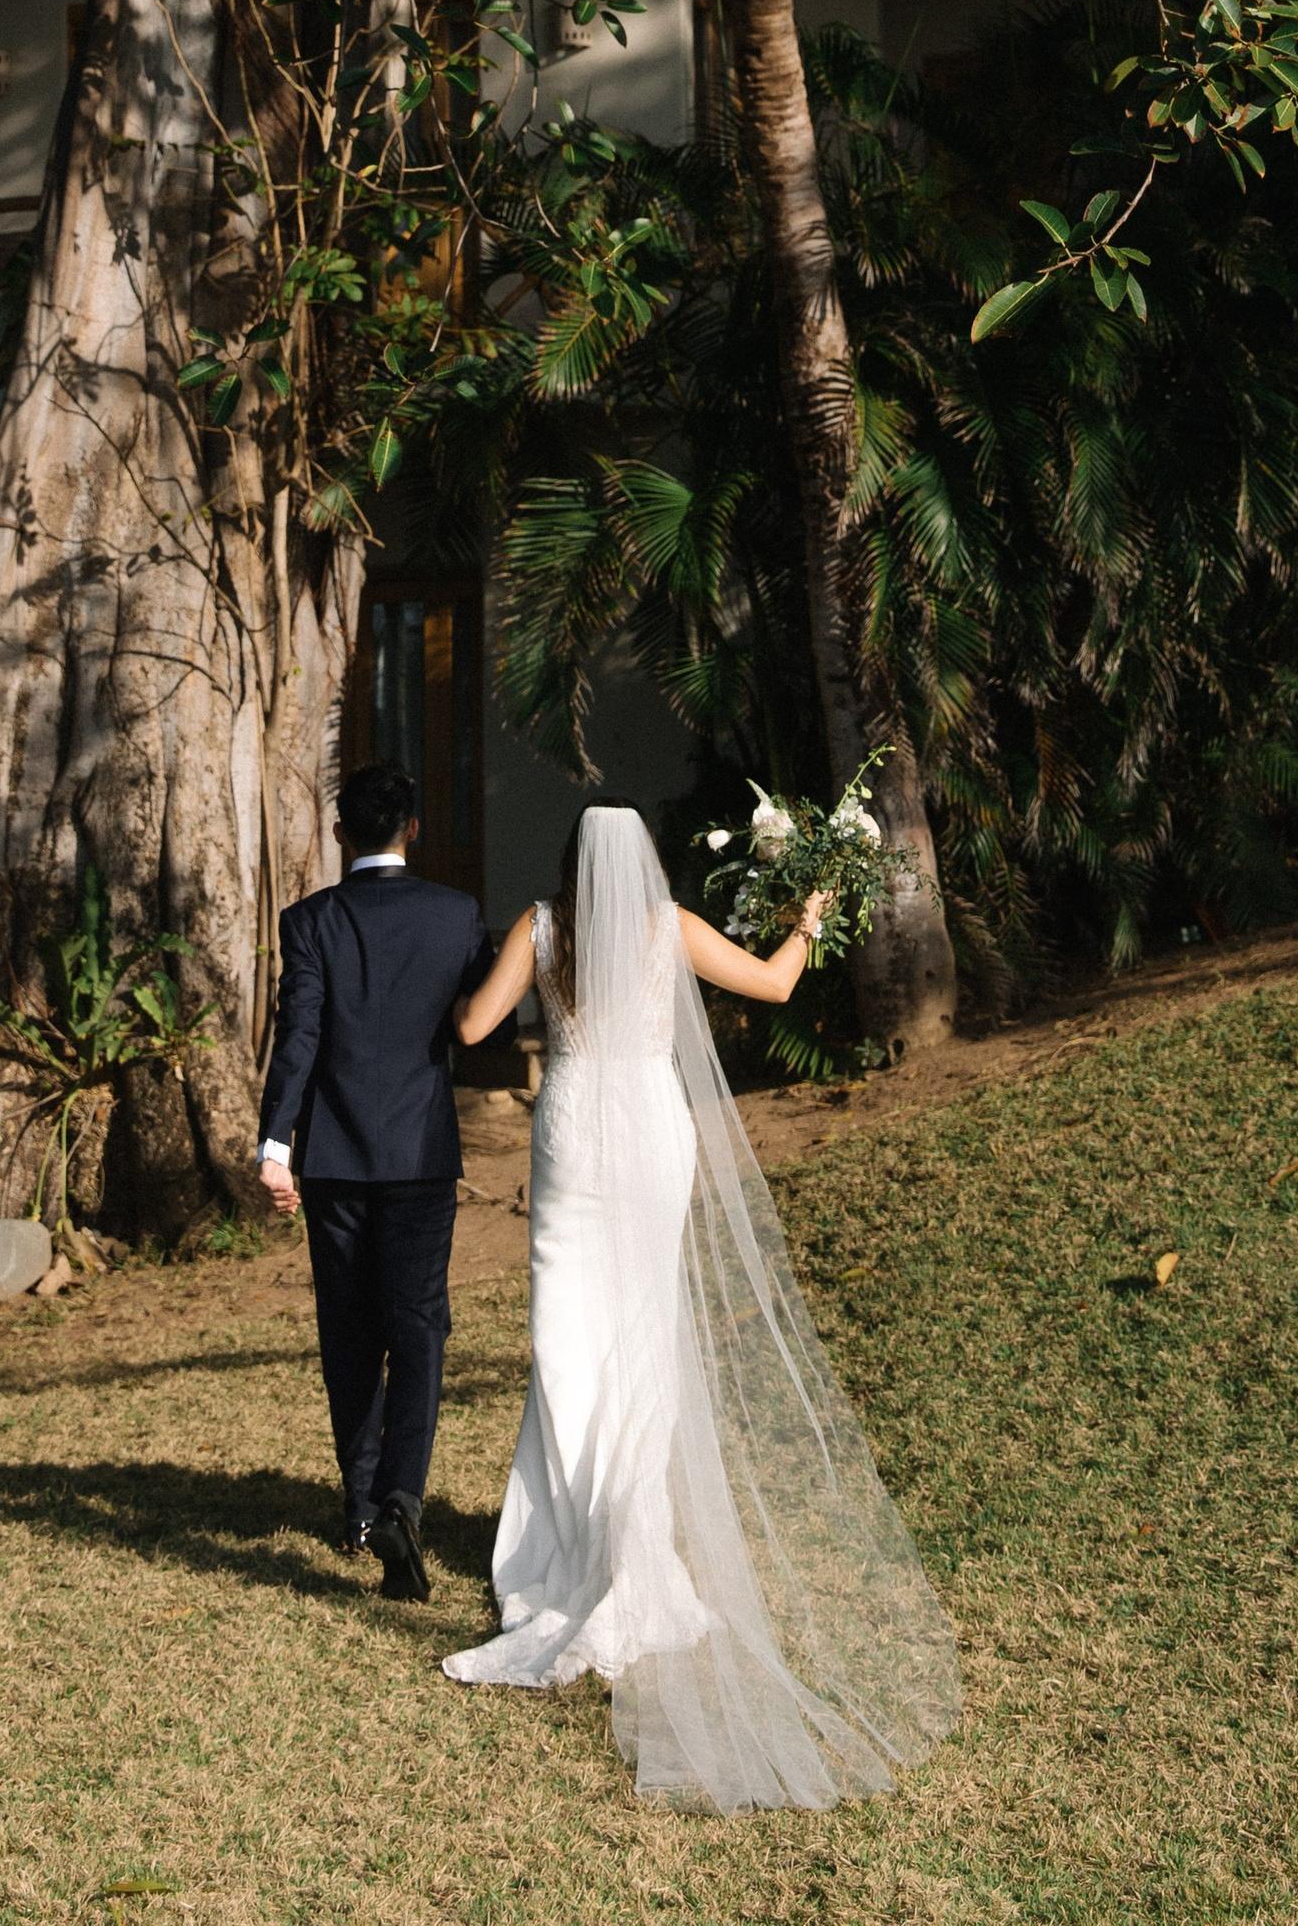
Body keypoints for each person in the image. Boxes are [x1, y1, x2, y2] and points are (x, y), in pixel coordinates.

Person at [439, 797, 960, 1810]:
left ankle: (575, 1548)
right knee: (641, 1334)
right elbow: (769, 985)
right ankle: (631, 1554)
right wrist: (807, 919)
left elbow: (471, 1024)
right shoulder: (666, 926)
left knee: (569, 1343)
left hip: (575, 1125)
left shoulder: (541, 927)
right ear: (640, 861)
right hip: (647, 1124)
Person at [257, 759, 495, 1599]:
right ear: (415, 830)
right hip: (422, 1156)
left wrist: (274, 1146)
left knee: (350, 1327)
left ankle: (360, 1506)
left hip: (334, 1157)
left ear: (338, 835)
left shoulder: (310, 921)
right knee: (420, 1324)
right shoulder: (457, 914)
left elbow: (299, 1036)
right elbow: (482, 1021)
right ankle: (402, 1502)